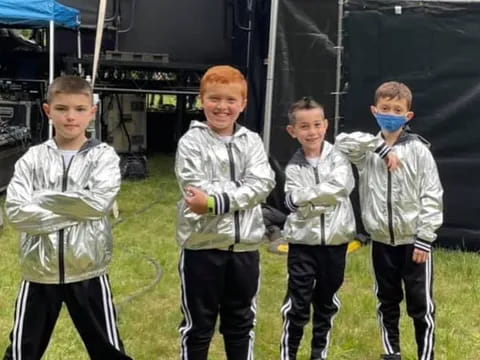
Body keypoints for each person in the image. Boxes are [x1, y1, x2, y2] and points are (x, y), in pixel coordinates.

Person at [3, 75, 133, 360]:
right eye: (61, 109)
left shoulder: (103, 157)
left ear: (92, 112)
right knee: (21, 352)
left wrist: (40, 199)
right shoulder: (32, 158)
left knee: (109, 350)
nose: (70, 117)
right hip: (39, 273)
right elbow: (15, 212)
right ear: (48, 110)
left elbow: (97, 204)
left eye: (78, 109)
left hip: (88, 270)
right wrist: (78, 208)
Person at [335, 81, 443, 360]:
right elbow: (341, 142)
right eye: (385, 108)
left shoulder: (419, 151)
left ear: (408, 116)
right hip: (381, 241)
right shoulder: (367, 152)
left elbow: (432, 195)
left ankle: (425, 355)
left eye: (397, 109)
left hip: (414, 243)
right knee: (387, 301)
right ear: (374, 110)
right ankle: (391, 353)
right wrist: (381, 149)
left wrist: (425, 238)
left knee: (421, 305)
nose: (390, 113)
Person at [175, 65, 275, 360]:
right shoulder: (191, 142)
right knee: (198, 325)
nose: (222, 107)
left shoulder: (252, 141)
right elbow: (195, 191)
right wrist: (240, 190)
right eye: (214, 99)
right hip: (202, 248)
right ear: (201, 100)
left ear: (243, 104)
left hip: (245, 248)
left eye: (231, 100)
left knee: (241, 322)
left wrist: (214, 202)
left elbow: (262, 183)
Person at [279, 97, 356, 360]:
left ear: (326, 125)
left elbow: (341, 188)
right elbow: (292, 202)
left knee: (326, 302)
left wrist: (307, 198)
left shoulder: (340, 158)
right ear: (293, 131)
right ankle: (288, 353)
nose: (312, 132)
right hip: (302, 245)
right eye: (304, 127)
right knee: (298, 303)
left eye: (316, 125)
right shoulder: (293, 166)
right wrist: (323, 198)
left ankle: (318, 353)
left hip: (336, 244)